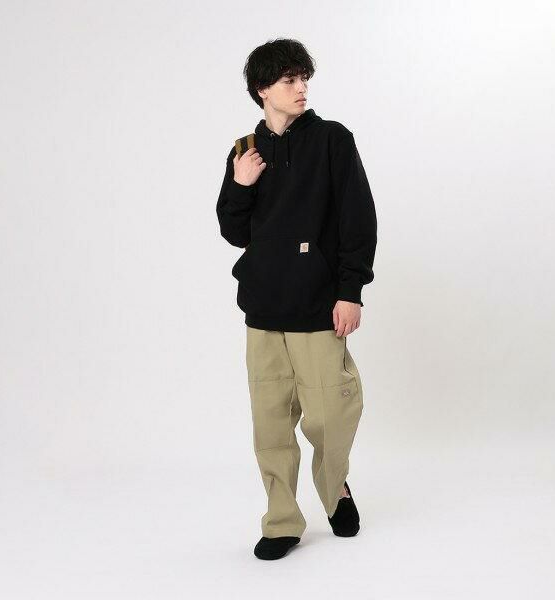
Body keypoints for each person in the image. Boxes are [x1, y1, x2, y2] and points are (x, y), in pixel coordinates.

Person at [216, 38, 377, 560]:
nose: (301, 87)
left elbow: (358, 219)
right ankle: (282, 520)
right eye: (289, 80)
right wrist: (241, 184)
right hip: (263, 307)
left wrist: (350, 291)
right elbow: (234, 231)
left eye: (304, 78)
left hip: (317, 305)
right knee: (271, 426)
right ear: (263, 89)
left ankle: (335, 488)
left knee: (330, 413)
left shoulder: (332, 140)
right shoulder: (245, 150)